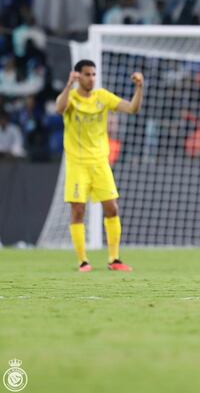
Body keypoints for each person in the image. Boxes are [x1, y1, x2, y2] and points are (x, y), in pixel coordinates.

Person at [55, 59, 145, 272]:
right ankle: (83, 261)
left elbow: (132, 108)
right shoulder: (72, 98)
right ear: (78, 76)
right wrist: (68, 85)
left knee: (112, 208)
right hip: (77, 164)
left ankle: (114, 259)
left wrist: (139, 87)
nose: (91, 78)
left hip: (99, 163)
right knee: (78, 210)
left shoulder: (102, 97)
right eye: (87, 74)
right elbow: (59, 108)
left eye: (93, 74)